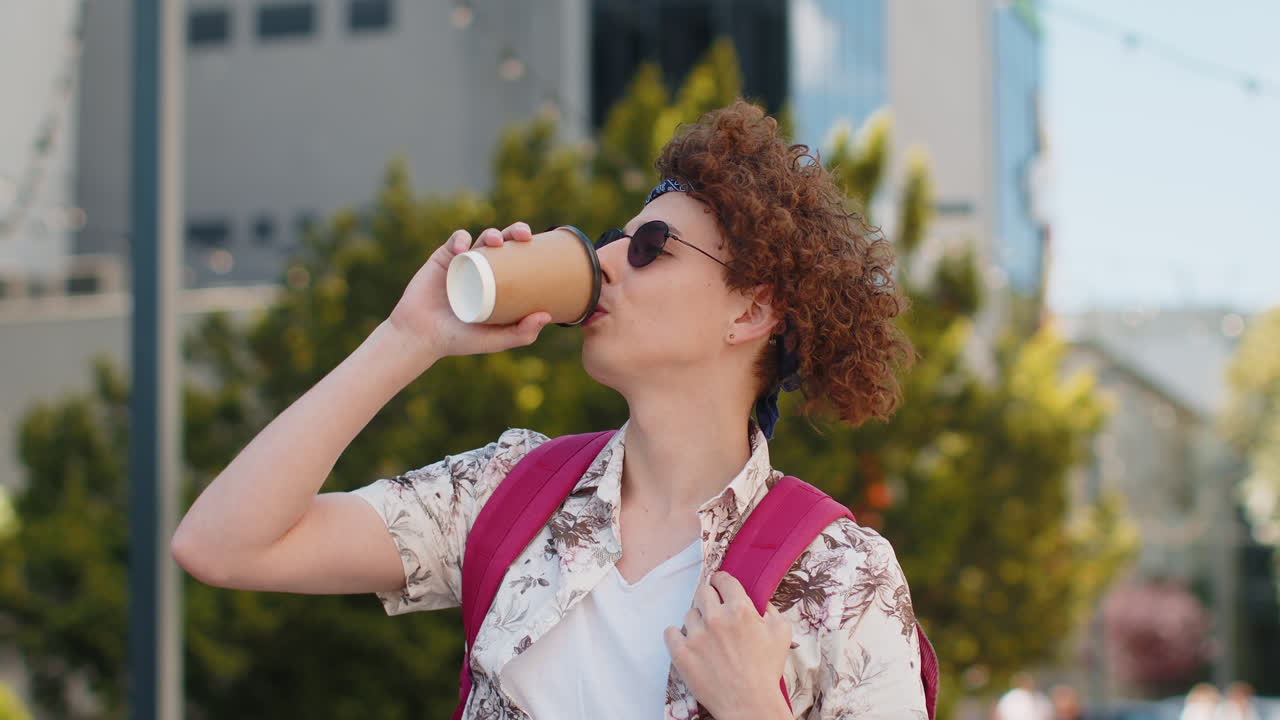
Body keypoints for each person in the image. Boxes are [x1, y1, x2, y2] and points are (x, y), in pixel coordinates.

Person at [171, 100, 924, 719]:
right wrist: (407, 338)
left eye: (651, 246)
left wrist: (755, 710)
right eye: (611, 240)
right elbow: (222, 545)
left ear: (753, 310)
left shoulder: (839, 574)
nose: (603, 263)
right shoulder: (511, 491)